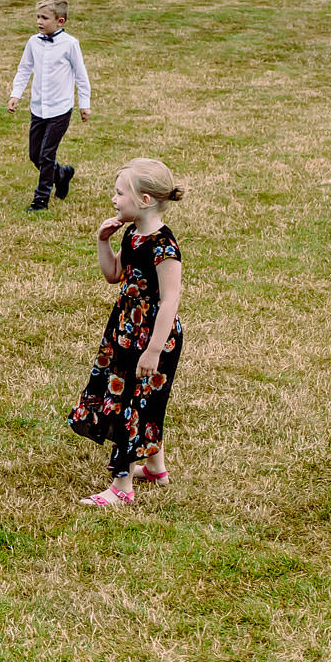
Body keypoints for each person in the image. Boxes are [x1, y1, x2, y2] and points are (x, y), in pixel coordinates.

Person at [70, 159, 187, 506]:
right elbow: (113, 274)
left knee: (130, 406)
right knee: (142, 401)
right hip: (125, 330)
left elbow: (170, 300)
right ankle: (155, 469)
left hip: (152, 338)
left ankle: (122, 487)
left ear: (146, 200)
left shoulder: (165, 247)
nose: (114, 199)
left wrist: (153, 351)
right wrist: (103, 240)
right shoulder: (133, 233)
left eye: (120, 193)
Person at [8, 0, 91, 212]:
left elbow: (81, 76)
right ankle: (61, 174)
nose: (39, 21)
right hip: (38, 107)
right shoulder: (33, 42)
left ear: (60, 21)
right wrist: (16, 94)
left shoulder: (70, 44)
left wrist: (85, 104)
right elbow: (24, 68)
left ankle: (40, 200)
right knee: (35, 154)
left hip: (60, 109)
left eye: (44, 18)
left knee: (46, 155)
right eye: (38, 17)